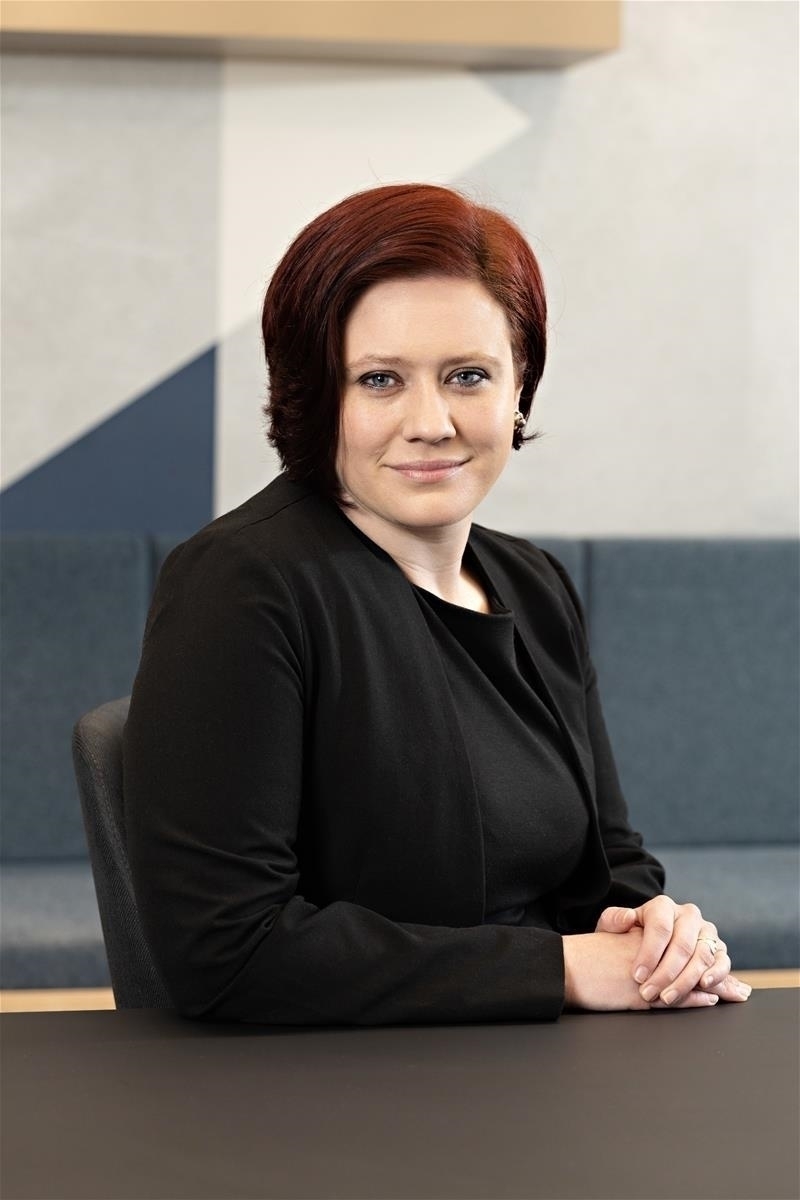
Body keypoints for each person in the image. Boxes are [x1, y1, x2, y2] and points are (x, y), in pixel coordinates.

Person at [124, 183, 750, 1024]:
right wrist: (560, 969)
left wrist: (656, 935)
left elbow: (609, 863)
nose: (431, 422)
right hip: (347, 1082)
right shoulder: (240, 587)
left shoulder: (534, 584)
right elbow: (225, 951)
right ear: (316, 395)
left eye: (468, 376)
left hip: (545, 1056)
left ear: (519, 388)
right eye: (380, 379)